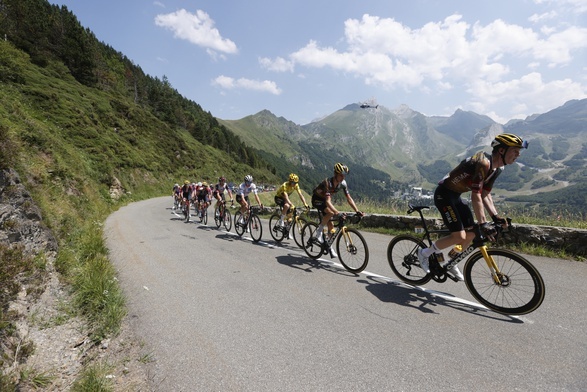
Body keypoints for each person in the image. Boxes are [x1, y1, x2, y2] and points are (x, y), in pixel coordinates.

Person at [418, 133, 528, 281]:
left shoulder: (497, 169)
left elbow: (485, 195)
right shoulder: (483, 163)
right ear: (502, 150)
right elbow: (475, 195)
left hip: (456, 196)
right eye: (515, 150)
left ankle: (450, 261)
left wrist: (495, 217)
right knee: (459, 236)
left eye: (519, 151)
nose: (518, 154)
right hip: (444, 195)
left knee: (472, 233)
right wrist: (483, 223)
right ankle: (424, 253)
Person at [311, 163, 364, 258]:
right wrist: (337, 212)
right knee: (331, 212)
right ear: (335, 174)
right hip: (317, 200)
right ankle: (319, 232)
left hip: (325, 200)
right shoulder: (327, 183)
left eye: (344, 175)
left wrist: (357, 210)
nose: (343, 177)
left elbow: (349, 198)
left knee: (331, 228)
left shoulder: (343, 184)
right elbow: (327, 201)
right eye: (341, 175)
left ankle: (329, 247)